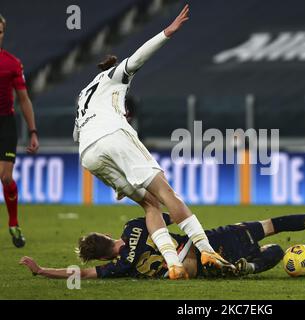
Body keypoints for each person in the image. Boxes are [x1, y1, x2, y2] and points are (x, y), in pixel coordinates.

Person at [72, 5, 232, 279]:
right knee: (166, 193)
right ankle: (206, 249)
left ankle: (173, 264)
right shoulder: (112, 77)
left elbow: (77, 133)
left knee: (149, 204)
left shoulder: (83, 94)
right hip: (113, 137)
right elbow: (137, 59)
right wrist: (167, 33)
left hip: (88, 154)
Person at [19, 200, 305, 279]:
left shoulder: (119, 268)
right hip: (204, 244)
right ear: (108, 236)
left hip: (197, 270)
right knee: (273, 227)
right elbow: (168, 215)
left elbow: (81, 275)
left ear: (103, 256)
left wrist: (41, 270)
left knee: (274, 252)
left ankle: (246, 267)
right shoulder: (136, 226)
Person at [0, 14, 39, 247]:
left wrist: (33, 131)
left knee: (5, 177)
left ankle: (13, 223)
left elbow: (24, 99)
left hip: (6, 123)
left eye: (0, 31)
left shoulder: (12, 63)